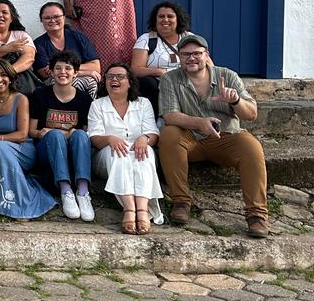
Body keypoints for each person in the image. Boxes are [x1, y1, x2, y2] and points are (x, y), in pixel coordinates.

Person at [158, 33, 269, 238]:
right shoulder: (170, 79)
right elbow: (170, 115)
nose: (191, 58)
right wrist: (199, 123)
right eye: (186, 54)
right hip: (190, 138)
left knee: (252, 147)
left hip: (225, 137)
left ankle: (257, 216)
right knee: (168, 135)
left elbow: (251, 114)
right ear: (179, 57)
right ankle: (181, 202)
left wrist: (235, 101)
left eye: (196, 54)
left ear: (206, 55)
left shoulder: (227, 75)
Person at [88, 64, 162, 234]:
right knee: (119, 152)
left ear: (130, 82)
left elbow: (153, 132)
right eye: (110, 76)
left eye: (120, 76)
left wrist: (145, 138)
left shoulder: (143, 103)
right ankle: (129, 209)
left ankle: (142, 209)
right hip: (106, 156)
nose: (114, 79)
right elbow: (95, 139)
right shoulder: (97, 105)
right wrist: (109, 138)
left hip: (138, 152)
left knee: (145, 153)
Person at [0, 60, 55, 220]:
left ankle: (17, 203)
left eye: (4, 75)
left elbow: (21, 134)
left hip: (23, 148)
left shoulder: (21, 99)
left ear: (11, 78)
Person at [28, 51, 95, 221]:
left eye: (68, 68)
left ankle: (82, 191)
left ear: (76, 73)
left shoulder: (84, 99)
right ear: (51, 71)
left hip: (74, 154)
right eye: (57, 68)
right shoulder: (40, 95)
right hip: (48, 152)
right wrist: (42, 132)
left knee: (80, 135)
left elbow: (88, 133)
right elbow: (31, 131)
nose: (62, 72)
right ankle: (65, 190)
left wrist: (71, 133)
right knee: (55, 135)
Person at [130, 0, 192, 111]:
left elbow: (208, 64)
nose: (165, 20)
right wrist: (159, 72)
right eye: (161, 16)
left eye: (170, 16)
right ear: (155, 20)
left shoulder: (189, 38)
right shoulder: (146, 39)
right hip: (158, 86)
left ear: (178, 19)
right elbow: (135, 69)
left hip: (187, 83)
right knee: (147, 83)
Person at [33, 1, 101, 97]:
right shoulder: (38, 44)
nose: (52, 20)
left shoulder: (78, 37)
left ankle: (88, 111)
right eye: (47, 18)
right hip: (55, 82)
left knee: (91, 82)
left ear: (64, 18)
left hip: (76, 77)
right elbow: (46, 73)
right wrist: (85, 72)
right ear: (42, 21)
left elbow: (96, 66)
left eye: (56, 17)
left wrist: (61, 68)